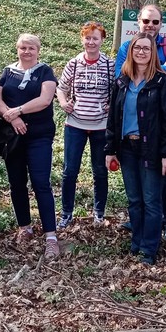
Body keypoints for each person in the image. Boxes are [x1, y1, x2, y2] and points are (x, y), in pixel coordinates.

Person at [106, 32, 166, 266]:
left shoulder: (162, 82)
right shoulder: (122, 81)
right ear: (131, 51)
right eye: (137, 48)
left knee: (151, 200)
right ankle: (136, 241)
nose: (141, 52)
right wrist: (110, 149)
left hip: (152, 149)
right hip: (127, 147)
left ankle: (149, 248)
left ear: (153, 52)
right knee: (134, 199)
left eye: (146, 48)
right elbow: (113, 118)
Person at [114, 4, 166, 240]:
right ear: (139, 23)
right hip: (132, 130)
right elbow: (121, 74)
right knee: (137, 190)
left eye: (155, 22)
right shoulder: (126, 46)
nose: (150, 25)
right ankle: (141, 226)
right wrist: (155, 68)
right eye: (146, 21)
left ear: (161, 24)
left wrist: (149, 69)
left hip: (159, 122)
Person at [0, 34, 60, 259]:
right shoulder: (8, 71)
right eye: (23, 48)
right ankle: (25, 227)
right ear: (17, 49)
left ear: (38, 50)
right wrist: (12, 118)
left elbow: (45, 99)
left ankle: (51, 237)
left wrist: (18, 111)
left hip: (39, 135)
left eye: (31, 48)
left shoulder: (45, 71)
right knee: (17, 183)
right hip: (13, 136)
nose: (27, 52)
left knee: (41, 183)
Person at [56, 21, 115, 228]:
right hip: (75, 124)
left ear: (102, 40)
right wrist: (63, 103)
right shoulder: (74, 63)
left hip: (101, 126)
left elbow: (118, 90)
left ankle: (99, 213)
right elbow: (61, 88)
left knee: (100, 171)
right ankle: (66, 213)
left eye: (95, 38)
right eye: (87, 38)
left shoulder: (110, 65)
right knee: (70, 171)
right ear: (82, 39)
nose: (91, 42)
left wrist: (112, 105)